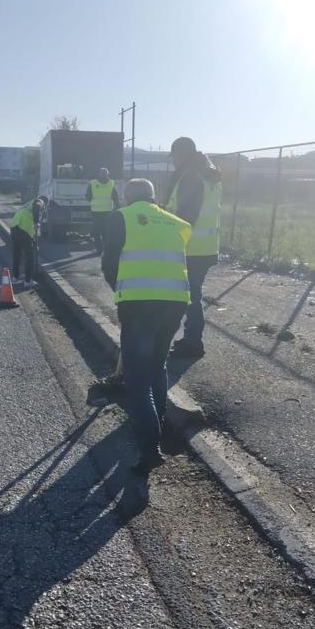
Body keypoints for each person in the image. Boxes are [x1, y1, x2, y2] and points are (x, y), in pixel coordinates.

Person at [101, 178, 192, 475]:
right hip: (175, 301)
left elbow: (109, 264)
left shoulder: (121, 217)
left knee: (137, 379)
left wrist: (122, 290)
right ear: (153, 196)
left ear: (127, 197)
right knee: (157, 365)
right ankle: (158, 424)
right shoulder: (176, 222)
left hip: (139, 304)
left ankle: (150, 449)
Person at [164, 137, 222, 359]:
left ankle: (193, 344)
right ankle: (191, 339)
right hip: (207, 247)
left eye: (175, 156)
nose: (173, 162)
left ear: (182, 155)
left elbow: (186, 217)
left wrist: (171, 241)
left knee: (190, 297)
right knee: (192, 295)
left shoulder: (190, 177)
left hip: (190, 248)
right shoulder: (210, 176)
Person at [10, 196, 44, 286]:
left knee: (17, 255)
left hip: (14, 227)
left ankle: (15, 277)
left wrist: (33, 242)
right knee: (29, 257)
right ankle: (28, 281)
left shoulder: (29, 203)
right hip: (23, 230)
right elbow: (37, 206)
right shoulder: (39, 202)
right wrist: (36, 222)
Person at [86, 167, 120, 254]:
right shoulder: (111, 183)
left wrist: (94, 201)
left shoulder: (93, 183)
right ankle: (106, 249)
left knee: (96, 232)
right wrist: (117, 207)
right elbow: (115, 197)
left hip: (96, 211)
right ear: (108, 174)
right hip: (108, 211)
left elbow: (88, 196)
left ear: (99, 174)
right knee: (106, 232)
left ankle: (98, 249)